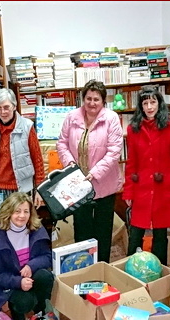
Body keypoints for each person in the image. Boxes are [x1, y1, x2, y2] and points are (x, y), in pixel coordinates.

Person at [56, 80, 123, 262]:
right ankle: (84, 268)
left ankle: (101, 268)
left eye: (96, 99)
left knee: (102, 232)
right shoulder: (72, 117)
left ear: (103, 102)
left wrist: (95, 172)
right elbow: (62, 143)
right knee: (82, 231)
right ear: (83, 99)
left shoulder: (111, 118)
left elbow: (114, 150)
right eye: (88, 99)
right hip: (77, 185)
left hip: (104, 184)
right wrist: (70, 165)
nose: (92, 103)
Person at [123, 86, 170, 265]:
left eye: (153, 102)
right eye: (145, 103)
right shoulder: (133, 129)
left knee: (161, 235)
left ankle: (161, 272)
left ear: (160, 103)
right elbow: (131, 163)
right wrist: (128, 192)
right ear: (141, 106)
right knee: (135, 234)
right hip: (141, 189)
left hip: (164, 191)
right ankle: (131, 270)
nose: (150, 107)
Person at [0, 192, 53, 320]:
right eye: (17, 211)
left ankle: (40, 308)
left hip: (31, 277)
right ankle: (18, 312)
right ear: (8, 212)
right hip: (10, 282)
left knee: (45, 277)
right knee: (24, 302)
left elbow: (47, 257)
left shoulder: (36, 229)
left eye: (26, 211)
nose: (22, 216)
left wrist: (31, 266)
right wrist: (18, 282)